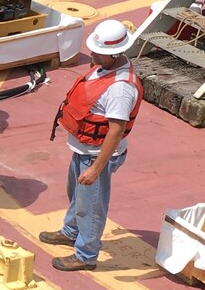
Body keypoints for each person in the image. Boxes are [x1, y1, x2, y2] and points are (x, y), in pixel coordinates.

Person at [42, 18, 142, 272]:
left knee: (92, 206)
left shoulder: (120, 89)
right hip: (83, 149)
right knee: (76, 195)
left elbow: (116, 131)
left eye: (99, 52)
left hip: (96, 155)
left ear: (114, 53)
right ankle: (70, 231)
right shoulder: (104, 68)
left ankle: (86, 255)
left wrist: (97, 168)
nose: (93, 53)